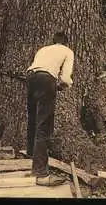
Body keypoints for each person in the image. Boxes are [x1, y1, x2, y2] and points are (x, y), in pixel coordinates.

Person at [26, 32, 74, 186]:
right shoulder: (67, 51)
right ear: (65, 43)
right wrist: (62, 85)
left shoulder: (43, 49)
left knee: (33, 120)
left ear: (53, 41)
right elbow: (65, 78)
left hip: (30, 77)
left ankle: (31, 157)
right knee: (44, 125)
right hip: (46, 79)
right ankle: (41, 173)